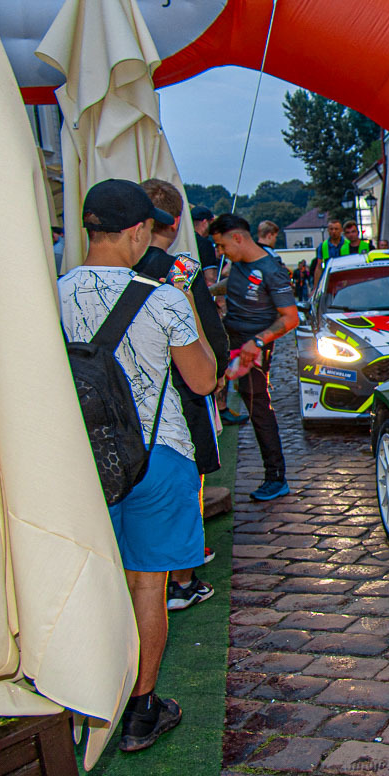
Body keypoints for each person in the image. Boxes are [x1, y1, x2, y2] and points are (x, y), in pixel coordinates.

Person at [59, 179, 217, 751]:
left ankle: (83, 697)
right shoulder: (163, 297)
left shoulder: (49, 294)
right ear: (135, 232)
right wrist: (187, 304)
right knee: (148, 584)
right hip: (157, 456)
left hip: (80, 461)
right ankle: (141, 710)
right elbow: (203, 379)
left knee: (87, 583)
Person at [135, 180, 226, 610]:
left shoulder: (109, 271)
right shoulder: (180, 270)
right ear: (173, 223)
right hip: (181, 387)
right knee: (189, 479)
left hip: (127, 395)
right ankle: (183, 579)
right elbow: (207, 328)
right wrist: (217, 367)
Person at [209, 213, 299, 502]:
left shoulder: (272, 269)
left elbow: (291, 318)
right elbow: (233, 286)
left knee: (259, 410)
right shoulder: (239, 264)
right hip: (230, 342)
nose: (220, 253)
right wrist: (205, 292)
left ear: (237, 238)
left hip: (253, 351)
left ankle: (276, 477)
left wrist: (257, 341)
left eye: (222, 246)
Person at [312, 218, 353, 286]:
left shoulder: (349, 244)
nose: (333, 231)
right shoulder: (323, 246)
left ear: (341, 230)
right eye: (331, 229)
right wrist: (316, 286)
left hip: (347, 280)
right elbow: (319, 267)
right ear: (328, 230)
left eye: (336, 229)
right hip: (330, 282)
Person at [191, 206, 220, 287]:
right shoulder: (205, 244)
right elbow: (211, 277)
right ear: (205, 222)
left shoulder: (183, 240)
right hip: (198, 289)